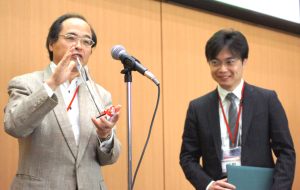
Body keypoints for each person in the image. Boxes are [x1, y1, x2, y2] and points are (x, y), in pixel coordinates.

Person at [4, 13, 121, 190]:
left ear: (91, 49)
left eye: (86, 41)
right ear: (51, 44)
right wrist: (52, 84)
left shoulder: (101, 95)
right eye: (71, 38)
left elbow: (109, 158)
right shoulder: (25, 83)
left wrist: (105, 136)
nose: (78, 46)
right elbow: (14, 126)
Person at [179, 28, 295, 190]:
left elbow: (286, 152)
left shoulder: (267, 100)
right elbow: (187, 157)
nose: (222, 69)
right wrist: (208, 184)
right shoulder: (198, 108)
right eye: (215, 62)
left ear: (244, 61)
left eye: (230, 61)